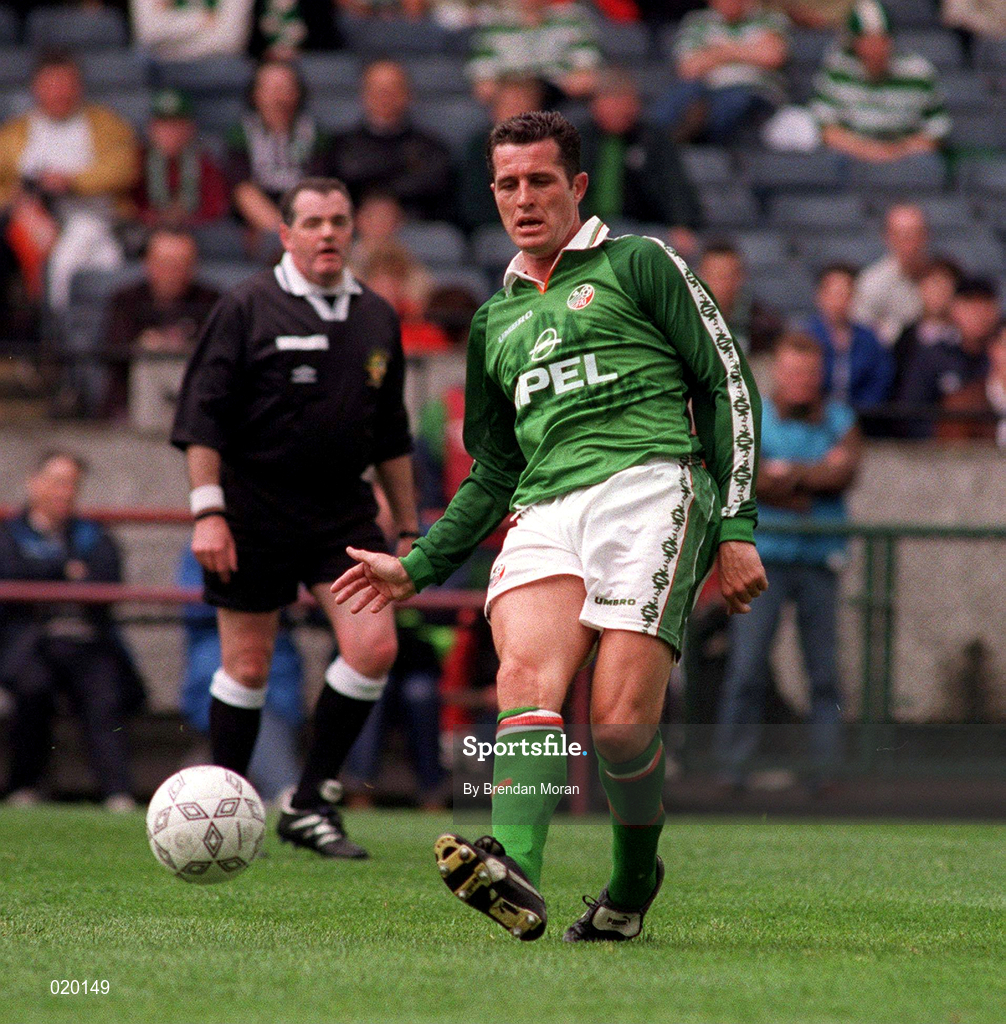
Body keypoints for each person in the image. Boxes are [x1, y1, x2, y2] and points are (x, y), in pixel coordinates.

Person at [331, 111, 766, 941]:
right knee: (526, 681)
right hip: (544, 507)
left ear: (575, 186)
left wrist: (738, 523)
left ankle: (634, 882)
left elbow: (726, 383)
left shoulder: (640, 262)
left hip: (652, 487)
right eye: (507, 184)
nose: (523, 198)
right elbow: (494, 469)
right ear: (490, 194)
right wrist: (417, 565)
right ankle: (516, 868)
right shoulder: (494, 323)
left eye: (539, 181)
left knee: (619, 725)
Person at [171, 176, 419, 859]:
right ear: (286, 235)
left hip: (343, 510)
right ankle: (219, 807)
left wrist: (406, 526)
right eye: (312, 222)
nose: (328, 233)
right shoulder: (246, 306)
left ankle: (310, 801)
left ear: (353, 231)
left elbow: (392, 436)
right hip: (252, 510)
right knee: (247, 666)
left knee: (374, 648)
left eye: (339, 220)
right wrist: (209, 513)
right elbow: (200, 420)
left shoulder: (377, 315)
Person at [715, 332, 859, 792]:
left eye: (810, 373)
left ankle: (825, 773)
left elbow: (846, 471)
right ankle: (730, 770)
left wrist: (785, 474)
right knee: (747, 668)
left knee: (823, 674)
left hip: (819, 561)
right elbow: (743, 475)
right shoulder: (750, 414)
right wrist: (811, 477)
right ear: (778, 371)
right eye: (794, 371)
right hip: (763, 562)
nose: (802, 381)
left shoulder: (840, 416)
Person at [0, 451, 144, 810]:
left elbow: (107, 581)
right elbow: (11, 577)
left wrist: (47, 573)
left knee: (105, 692)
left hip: (87, 642)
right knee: (32, 687)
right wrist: (65, 571)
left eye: (71, 484)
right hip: (29, 644)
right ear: (34, 483)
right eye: (56, 482)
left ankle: (117, 793)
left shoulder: (92, 534)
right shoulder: (9, 532)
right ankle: (24, 788)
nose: (63, 492)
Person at [0, 50, 139, 311]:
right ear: (36, 88)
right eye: (50, 85)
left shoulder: (106, 124)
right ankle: (46, 324)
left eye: (66, 84)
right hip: (34, 221)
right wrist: (18, 200)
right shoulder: (14, 133)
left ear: (79, 87)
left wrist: (72, 182)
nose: (59, 93)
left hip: (95, 218)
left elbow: (124, 168)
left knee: (85, 256)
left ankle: (56, 327)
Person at [579, 69, 704, 258]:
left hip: (640, 227)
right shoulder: (576, 138)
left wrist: (681, 224)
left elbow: (672, 184)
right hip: (585, 223)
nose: (620, 110)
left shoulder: (653, 139)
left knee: (672, 249)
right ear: (596, 104)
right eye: (613, 101)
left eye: (625, 101)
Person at [102, 227, 220, 423]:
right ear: (148, 263)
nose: (173, 272)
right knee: (150, 359)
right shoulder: (125, 300)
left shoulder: (211, 300)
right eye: (165, 263)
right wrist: (145, 344)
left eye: (181, 263)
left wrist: (181, 347)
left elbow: (220, 355)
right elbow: (112, 352)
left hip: (193, 395)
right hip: (134, 399)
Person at [812, 0, 951, 165]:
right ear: (855, 43)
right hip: (852, 158)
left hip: (904, 158)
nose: (876, 48)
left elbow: (936, 131)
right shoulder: (837, 68)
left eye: (882, 40)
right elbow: (827, 130)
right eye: (868, 41)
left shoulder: (918, 73)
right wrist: (869, 151)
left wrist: (895, 152)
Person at [325, 60, 453, 222]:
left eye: (393, 88)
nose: (385, 95)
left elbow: (438, 198)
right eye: (377, 89)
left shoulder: (431, 148)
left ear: (408, 94)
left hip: (412, 229)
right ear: (363, 94)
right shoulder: (340, 147)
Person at [652, 0, 790, 144]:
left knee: (732, 101)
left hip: (753, 90)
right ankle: (650, 146)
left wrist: (717, 52)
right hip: (707, 87)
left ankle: (700, 147)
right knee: (678, 95)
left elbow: (771, 57)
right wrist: (746, 50)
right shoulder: (698, 21)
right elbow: (688, 68)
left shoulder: (768, 18)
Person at [226, 59, 332, 238]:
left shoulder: (314, 134)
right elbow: (241, 187)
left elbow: (317, 186)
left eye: (285, 89)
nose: (278, 97)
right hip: (259, 216)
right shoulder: (241, 133)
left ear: (298, 93)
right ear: (255, 94)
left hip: (302, 212)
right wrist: (277, 227)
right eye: (270, 89)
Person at [898, 277, 1000, 438]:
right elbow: (911, 414)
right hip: (940, 455)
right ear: (954, 309)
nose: (978, 314)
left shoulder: (999, 359)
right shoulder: (933, 357)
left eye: (985, 305)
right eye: (970, 306)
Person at [466, 0, 602, 106]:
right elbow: (483, 78)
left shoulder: (572, 19)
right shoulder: (495, 24)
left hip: (557, 95)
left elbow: (586, 69)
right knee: (514, 99)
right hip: (511, 92)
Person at [132, 89, 230, 232]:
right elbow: (128, 206)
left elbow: (216, 207)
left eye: (177, 125)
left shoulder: (204, 162)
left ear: (191, 128)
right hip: (147, 234)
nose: (170, 132)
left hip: (194, 233)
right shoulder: (137, 161)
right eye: (163, 125)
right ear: (151, 128)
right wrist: (156, 218)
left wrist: (184, 219)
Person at [805, 263, 893, 413]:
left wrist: (857, 412)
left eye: (845, 294)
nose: (838, 301)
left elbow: (880, 379)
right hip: (814, 417)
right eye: (833, 293)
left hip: (862, 418)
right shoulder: (806, 337)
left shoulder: (868, 339)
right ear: (820, 296)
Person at [852, 204, 929, 347]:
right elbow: (862, 336)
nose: (909, 241)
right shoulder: (872, 282)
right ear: (887, 237)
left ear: (926, 236)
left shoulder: (940, 276)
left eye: (915, 233)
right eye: (901, 234)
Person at [890, 257, 960, 399]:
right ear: (921, 289)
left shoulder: (966, 340)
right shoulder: (905, 337)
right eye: (932, 286)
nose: (938, 294)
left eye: (944, 287)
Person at [698, 240, 783, 356]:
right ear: (699, 277)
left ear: (741, 277)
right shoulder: (681, 319)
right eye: (715, 275)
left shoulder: (764, 324)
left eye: (728, 276)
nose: (722, 284)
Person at [130, 0, 255, 62]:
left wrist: (169, 49)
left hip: (215, 65)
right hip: (155, 65)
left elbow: (229, 41)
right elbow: (148, 33)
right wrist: (201, 19)